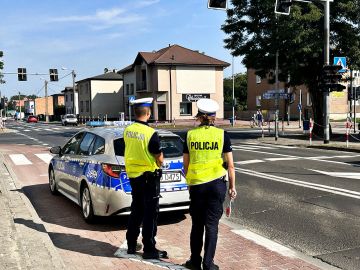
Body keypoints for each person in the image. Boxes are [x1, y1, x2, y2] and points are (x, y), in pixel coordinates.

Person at [183, 98, 237, 270]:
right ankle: (208, 264)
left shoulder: (190, 135)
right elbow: (230, 165)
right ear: (214, 116)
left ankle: (194, 261)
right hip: (216, 185)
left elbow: (186, 164)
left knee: (197, 225)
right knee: (212, 225)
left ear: (199, 115)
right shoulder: (222, 135)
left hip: (197, 186)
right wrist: (232, 187)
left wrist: (190, 183)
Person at [124, 97, 168, 260]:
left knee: (136, 210)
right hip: (150, 178)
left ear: (136, 113)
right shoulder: (151, 133)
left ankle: (131, 244)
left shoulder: (128, 130)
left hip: (134, 177)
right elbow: (159, 158)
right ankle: (149, 248)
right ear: (148, 113)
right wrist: (160, 159)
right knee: (150, 213)